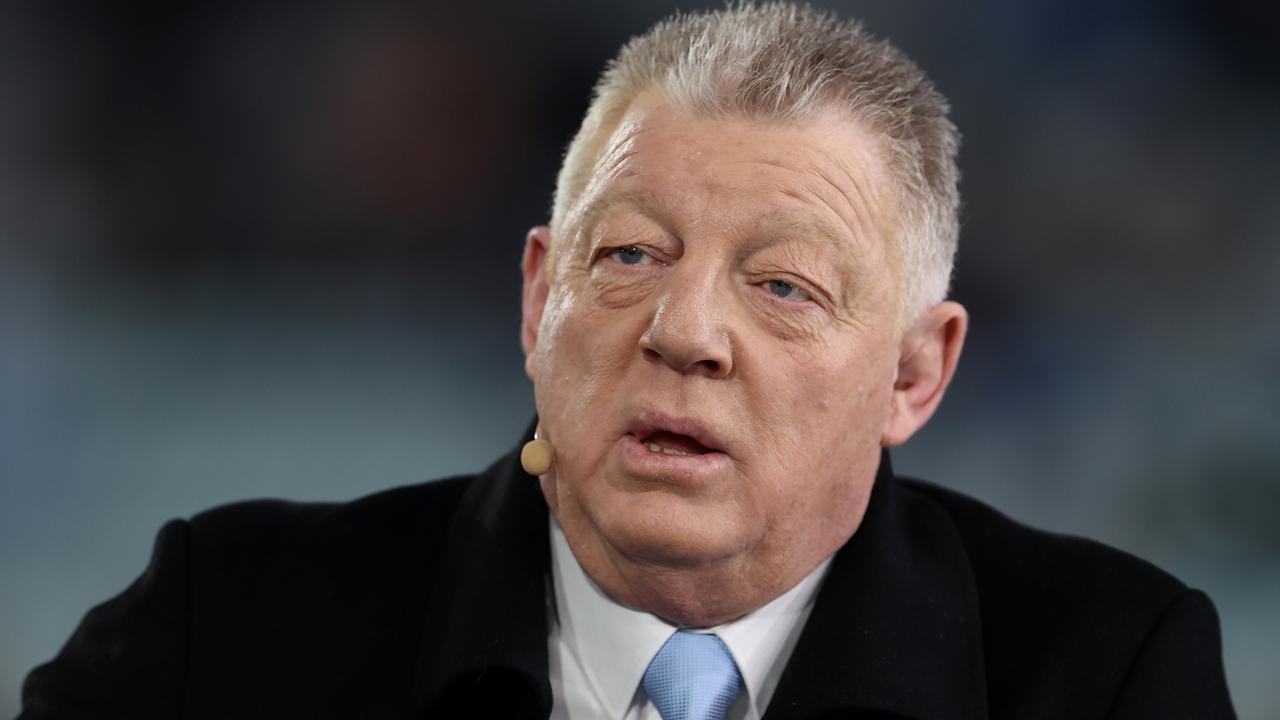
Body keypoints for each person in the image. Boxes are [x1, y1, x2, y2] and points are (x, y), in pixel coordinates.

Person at [20, 3, 1235, 719]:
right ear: (539, 295)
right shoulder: (215, 636)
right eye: (629, 258)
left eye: (782, 287)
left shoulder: (1103, 671)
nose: (684, 334)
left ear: (914, 376)